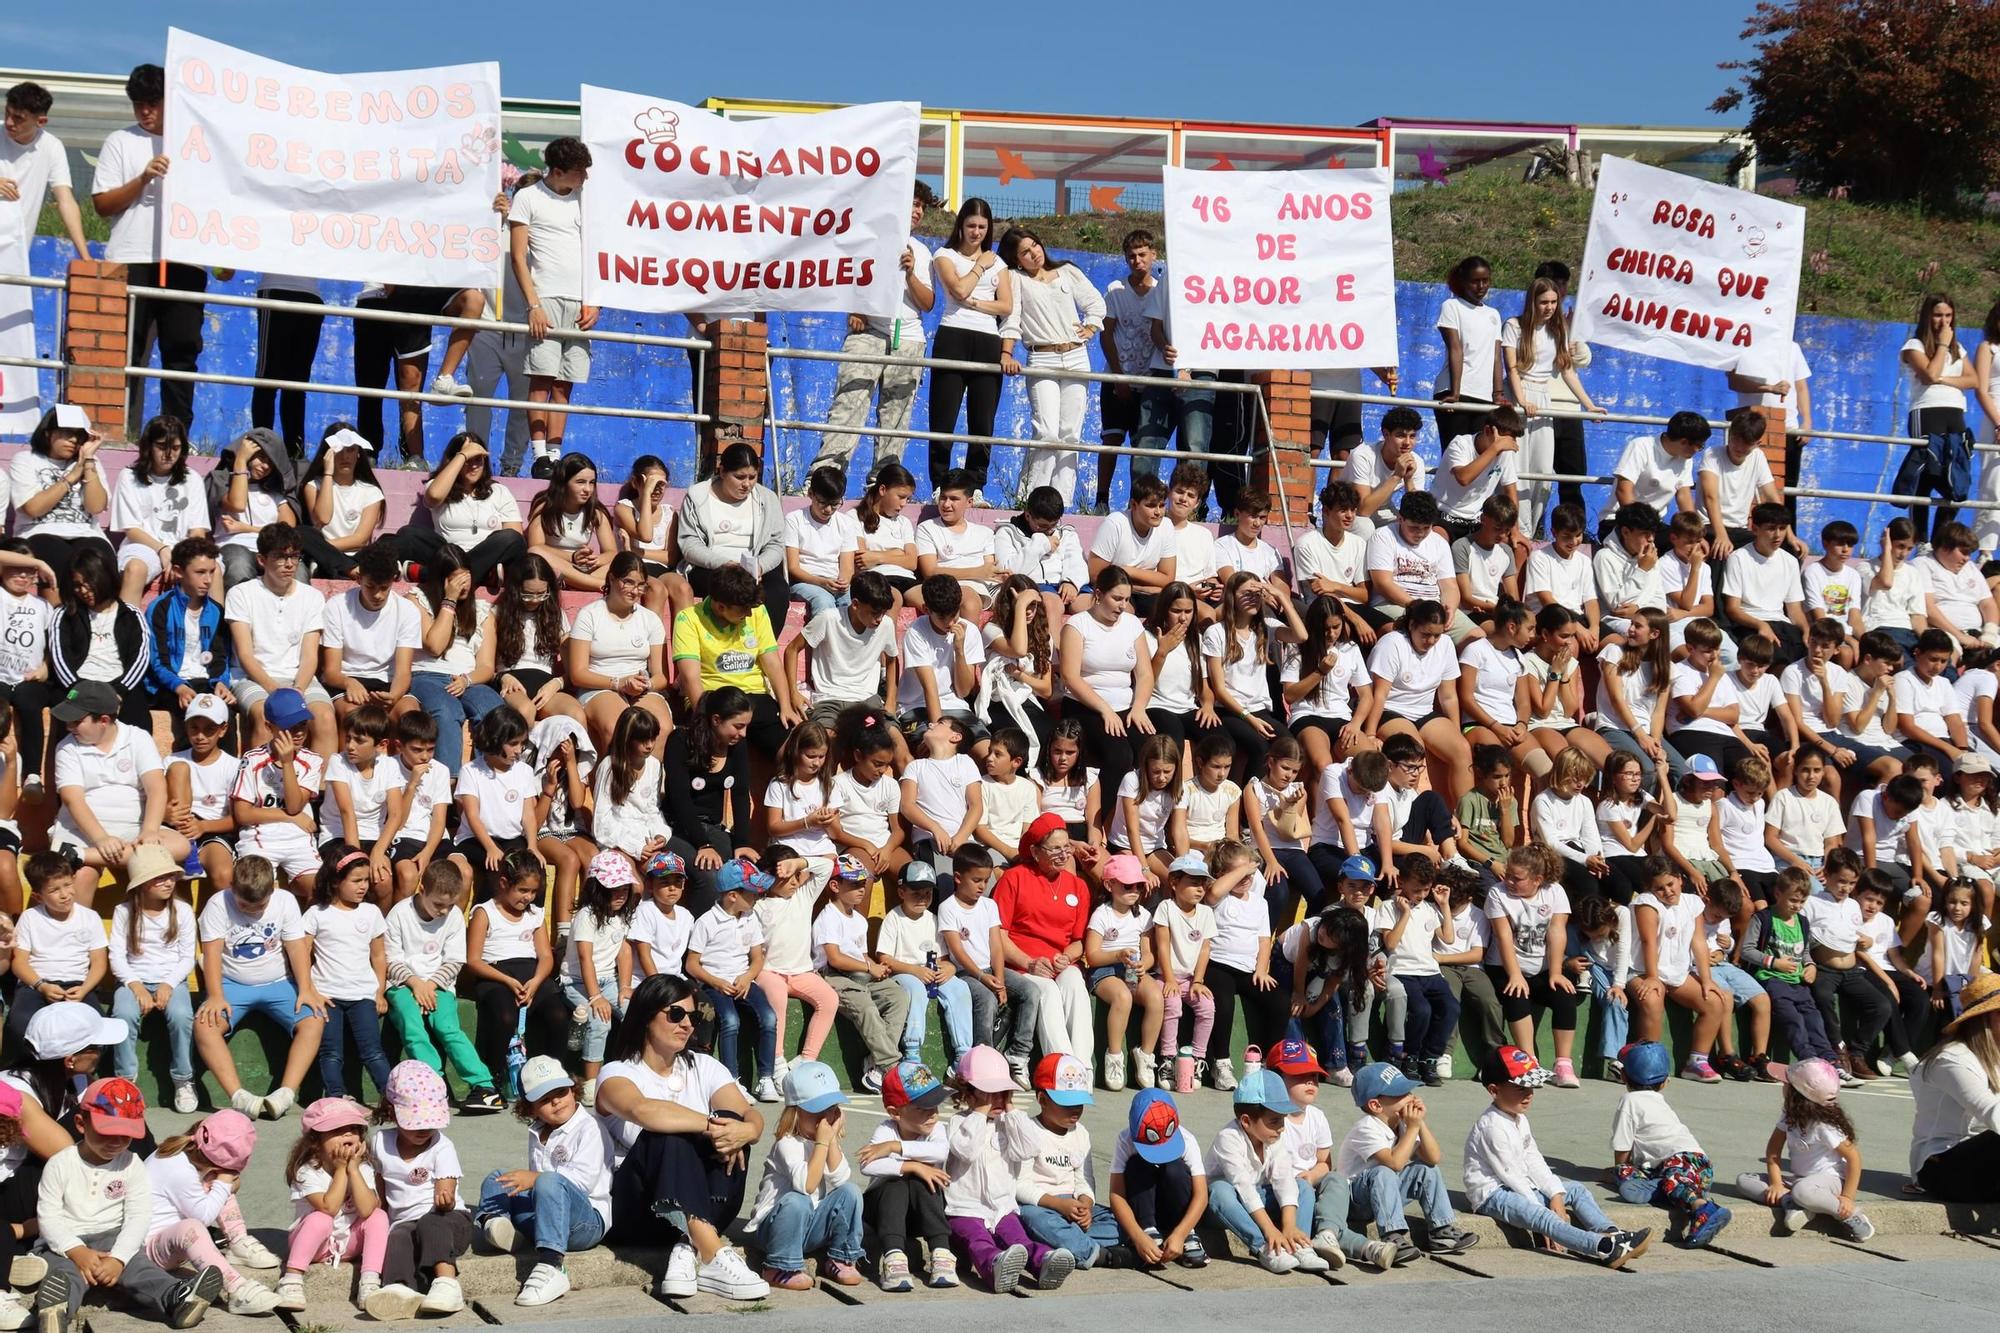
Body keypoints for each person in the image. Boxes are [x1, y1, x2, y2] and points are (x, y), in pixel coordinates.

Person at [597, 973, 770, 1301]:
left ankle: (686, 1245)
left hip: (711, 1203)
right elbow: (644, 1111)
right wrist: (712, 1126)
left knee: (733, 1123)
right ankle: (712, 1254)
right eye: (676, 1014)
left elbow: (748, 1115)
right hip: (641, 1213)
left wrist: (748, 1130)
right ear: (646, 1016)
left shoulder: (705, 1066)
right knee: (668, 1134)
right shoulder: (616, 1073)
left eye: (693, 1017)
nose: (688, 1024)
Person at [33, 1076, 222, 1333]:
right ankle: (56, 1312)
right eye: (107, 1132)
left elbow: (138, 1217)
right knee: (65, 1273)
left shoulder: (132, 1165)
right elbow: (48, 1217)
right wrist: (76, 1250)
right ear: (80, 1123)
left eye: (126, 1135)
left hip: (112, 1238)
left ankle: (177, 1298)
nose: (116, 1142)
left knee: (140, 1268)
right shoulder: (60, 1164)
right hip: (63, 1242)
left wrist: (119, 1259)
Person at [1463, 1047, 1651, 1266]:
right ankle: (1604, 1248)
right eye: (1521, 1087)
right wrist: (1544, 1213)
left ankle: (1612, 1233)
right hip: (1493, 1194)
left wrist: (1555, 1194)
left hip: (1521, 1185)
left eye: (1532, 1086)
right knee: (1544, 1217)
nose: (1529, 1094)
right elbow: (1512, 1176)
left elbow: (1533, 1158)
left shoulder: (1519, 1118)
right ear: (1494, 1090)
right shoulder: (1492, 1127)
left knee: (1577, 1190)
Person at [92, 66, 204, 431]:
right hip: (131, 257)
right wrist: (142, 178)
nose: (144, 111)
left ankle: (176, 437)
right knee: (127, 350)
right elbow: (102, 204)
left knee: (182, 351)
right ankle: (121, 431)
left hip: (184, 260)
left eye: (153, 103)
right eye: (138, 104)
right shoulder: (119, 141)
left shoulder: (196, 142)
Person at [808, 184, 936, 480]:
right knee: (849, 404)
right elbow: (849, 277)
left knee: (896, 417)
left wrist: (910, 273)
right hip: (869, 333)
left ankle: (882, 482)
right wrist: (855, 308)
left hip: (908, 337)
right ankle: (824, 476)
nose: (917, 211)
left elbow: (927, 302)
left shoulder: (921, 251)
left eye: (921, 206)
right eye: (912, 203)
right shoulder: (870, 237)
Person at [473, 1055, 612, 1307]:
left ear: (573, 1090)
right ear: (530, 1109)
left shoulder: (590, 1128)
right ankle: (497, 1224)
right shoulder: (538, 1130)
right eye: (545, 1100)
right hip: (546, 1215)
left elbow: (583, 1182)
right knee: (498, 1177)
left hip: (585, 1223)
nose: (556, 1101)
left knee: (547, 1181)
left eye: (561, 1092)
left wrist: (535, 1179)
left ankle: (552, 1265)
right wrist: (531, 1182)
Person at [943, 1046, 1078, 1292]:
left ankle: (1044, 1263)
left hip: (1003, 1208)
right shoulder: (959, 1123)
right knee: (978, 1241)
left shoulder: (1009, 1123)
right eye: (989, 1093)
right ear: (968, 1094)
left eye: (1003, 1092)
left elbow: (1030, 1147)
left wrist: (1012, 1111)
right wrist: (979, 1113)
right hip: (965, 1210)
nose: (997, 1099)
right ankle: (994, 1266)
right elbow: (967, 1150)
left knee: (1019, 1240)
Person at [48, 680, 189, 905]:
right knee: (83, 876)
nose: (69, 727)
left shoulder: (137, 738)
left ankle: (77, 854)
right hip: (81, 830)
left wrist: (150, 830)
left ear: (104, 720)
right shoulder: (67, 747)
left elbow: (156, 788)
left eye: (76, 721)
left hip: (132, 827)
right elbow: (72, 799)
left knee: (180, 846)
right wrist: (101, 838)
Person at [384, 861, 506, 1114]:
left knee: (448, 1028)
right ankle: (435, 1083)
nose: (444, 911)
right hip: (403, 984)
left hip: (438, 985)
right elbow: (391, 961)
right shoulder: (399, 914)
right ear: (421, 890)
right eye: (438, 904)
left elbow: (454, 961)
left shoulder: (454, 917)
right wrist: (416, 984)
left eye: (450, 905)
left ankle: (484, 1086)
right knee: (413, 1026)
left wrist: (430, 985)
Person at [506, 137, 594, 478]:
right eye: (579, 171)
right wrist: (534, 305)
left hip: (580, 304)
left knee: (565, 384)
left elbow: (598, 252)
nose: (585, 177)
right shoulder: (528, 197)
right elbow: (518, 256)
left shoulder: (586, 200)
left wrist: (594, 301)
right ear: (558, 171)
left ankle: (556, 456)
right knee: (541, 380)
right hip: (546, 299)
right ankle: (540, 456)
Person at [357, 1061, 473, 1319]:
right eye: (415, 1122)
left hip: (449, 1220)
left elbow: (447, 1188)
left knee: (430, 1223)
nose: (424, 1129)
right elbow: (380, 1191)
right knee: (397, 1237)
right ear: (391, 1112)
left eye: (430, 1122)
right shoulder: (380, 1143)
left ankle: (447, 1284)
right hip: (406, 1222)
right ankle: (399, 1291)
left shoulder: (442, 1146)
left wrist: (445, 1199)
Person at [998, 226, 1105, 504]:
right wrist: (1007, 353)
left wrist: (1091, 327)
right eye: (1025, 252)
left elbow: (1095, 303)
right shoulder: (1016, 278)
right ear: (1016, 259)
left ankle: (1061, 503)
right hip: (1042, 356)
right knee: (1045, 431)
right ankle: (1029, 499)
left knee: (1070, 435)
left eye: (1035, 245)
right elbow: (1012, 318)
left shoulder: (1067, 271)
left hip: (1076, 356)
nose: (1034, 253)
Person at [141, 1110, 284, 1316]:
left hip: (167, 1243)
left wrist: (223, 1182)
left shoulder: (182, 1153)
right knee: (193, 1226)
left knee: (214, 1186)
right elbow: (203, 1218)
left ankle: (238, 1242)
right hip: (149, 1252)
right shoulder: (179, 1170)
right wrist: (224, 1182)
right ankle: (237, 1289)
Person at [742, 1061, 864, 1291]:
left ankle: (841, 1258)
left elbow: (840, 1179)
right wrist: (823, 1142)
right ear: (795, 1112)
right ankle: (778, 1267)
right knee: (798, 1200)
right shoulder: (787, 1144)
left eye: (832, 1109)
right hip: (774, 1230)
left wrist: (831, 1141)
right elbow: (807, 1186)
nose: (825, 1119)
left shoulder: (822, 1140)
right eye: (817, 1111)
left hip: (808, 1228)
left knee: (851, 1191)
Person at [1338, 1062, 1478, 1261]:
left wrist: (1419, 1124)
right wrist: (1412, 1128)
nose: (1411, 1097)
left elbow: (1433, 1158)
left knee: (1426, 1169)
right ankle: (1392, 1237)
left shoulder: (1404, 1123)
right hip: (1355, 1201)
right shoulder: (1366, 1128)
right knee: (1383, 1171)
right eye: (1401, 1094)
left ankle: (1441, 1231)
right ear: (1376, 1105)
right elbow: (1394, 1163)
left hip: (1387, 1193)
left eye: (1409, 1091)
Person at [994, 815, 1095, 1078]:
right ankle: (1063, 1069)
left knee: (1075, 983)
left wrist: (1066, 957)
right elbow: (999, 935)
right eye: (1055, 848)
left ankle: (1084, 1067)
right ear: (1035, 852)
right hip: (1021, 964)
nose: (1063, 854)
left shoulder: (1078, 886)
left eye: (1067, 847)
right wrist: (1028, 963)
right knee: (1047, 991)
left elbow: (1079, 941)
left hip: (1059, 963)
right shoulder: (1014, 878)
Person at [1202, 1070, 1331, 1274]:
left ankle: (1298, 1244)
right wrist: (1270, 1230)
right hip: (1227, 1207)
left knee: (1302, 1186)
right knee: (1220, 1191)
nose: (1281, 1128)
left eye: (1283, 1120)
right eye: (1274, 1121)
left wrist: (1288, 1225)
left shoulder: (1273, 1137)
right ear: (1246, 1121)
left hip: (1258, 1198)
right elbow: (1244, 1188)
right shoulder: (1228, 1138)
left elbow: (1284, 1179)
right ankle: (1265, 1247)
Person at [1505, 277, 1604, 538]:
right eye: (1543, 302)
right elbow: (1512, 368)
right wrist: (1522, 400)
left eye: (1553, 302)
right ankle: (1512, 526)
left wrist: (1589, 405)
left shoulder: (1558, 329)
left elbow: (1567, 370)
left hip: (1543, 399)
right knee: (1516, 467)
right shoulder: (1514, 326)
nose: (1549, 307)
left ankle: (1530, 528)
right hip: (1520, 397)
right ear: (1532, 302)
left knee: (1542, 472)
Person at [928, 199, 1013, 502]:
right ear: (961, 226)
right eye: (971, 226)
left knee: (982, 420)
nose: (976, 232)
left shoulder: (998, 263)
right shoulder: (945, 255)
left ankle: (976, 486)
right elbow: (959, 289)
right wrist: (979, 266)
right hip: (953, 335)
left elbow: (1006, 306)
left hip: (988, 340)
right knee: (943, 416)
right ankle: (941, 483)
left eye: (982, 227)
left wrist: (975, 303)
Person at [1607, 1041, 1732, 1245]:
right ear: (1665, 1082)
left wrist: (1617, 1170)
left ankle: (1704, 1208)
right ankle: (1664, 1188)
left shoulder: (1629, 1100)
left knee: (1625, 1172)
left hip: (1682, 1163)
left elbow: (1623, 1146)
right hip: (1698, 1168)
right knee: (1653, 1179)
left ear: (1623, 1075)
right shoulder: (1659, 1101)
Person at [1735, 1056, 1874, 1240]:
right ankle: (1792, 1203)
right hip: (1799, 1180)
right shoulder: (1788, 1116)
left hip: (1830, 1181)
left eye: (1787, 1083)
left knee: (1803, 1191)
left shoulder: (1824, 1125)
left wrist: (1848, 1197)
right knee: (1744, 1180)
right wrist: (1776, 1184)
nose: (1783, 1085)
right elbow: (1773, 1151)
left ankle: (1850, 1216)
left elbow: (1854, 1158)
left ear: (1798, 1094)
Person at [106, 845, 197, 1111]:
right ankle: (125, 1081)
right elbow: (117, 957)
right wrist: (136, 986)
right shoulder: (124, 912)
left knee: (181, 1016)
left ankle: (183, 1078)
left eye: (171, 876)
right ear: (143, 883)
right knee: (123, 1015)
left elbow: (187, 957)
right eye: (160, 877)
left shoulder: (182, 911)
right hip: (133, 979)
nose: (169, 882)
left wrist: (168, 984)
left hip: (172, 979)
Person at [277, 1097, 387, 1312]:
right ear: (315, 1142)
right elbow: (329, 1207)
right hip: (315, 1246)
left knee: (378, 1216)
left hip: (349, 1245)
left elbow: (366, 1209)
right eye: (337, 1130)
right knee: (321, 1219)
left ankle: (370, 1281)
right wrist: (340, 1170)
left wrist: (353, 1170)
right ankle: (291, 1280)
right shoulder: (307, 1171)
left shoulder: (363, 1168)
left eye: (353, 1129)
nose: (348, 1135)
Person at [676, 441, 789, 635]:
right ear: (722, 471)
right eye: (739, 477)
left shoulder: (767, 499)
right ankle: (721, 644)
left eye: (752, 477)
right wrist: (726, 564)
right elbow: (689, 544)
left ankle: (763, 646)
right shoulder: (697, 496)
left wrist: (760, 566)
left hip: (754, 569)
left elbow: (776, 544)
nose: (747, 484)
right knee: (730, 588)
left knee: (779, 590)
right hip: (711, 567)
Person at [1097, 229, 1174, 512]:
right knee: (1112, 439)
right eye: (1131, 256)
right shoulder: (1116, 291)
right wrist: (1119, 377)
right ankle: (1101, 500)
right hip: (1118, 379)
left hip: (1151, 382)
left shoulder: (1162, 291)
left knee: (1143, 447)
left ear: (1154, 254)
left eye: (1142, 254)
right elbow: (1106, 335)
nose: (1137, 260)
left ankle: (1137, 504)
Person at [1895, 292, 1981, 541]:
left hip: (1954, 412)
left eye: (1948, 315)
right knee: (1926, 473)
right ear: (1927, 316)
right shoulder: (1914, 346)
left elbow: (1973, 380)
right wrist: (1942, 345)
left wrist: (1943, 378)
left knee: (1955, 477)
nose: (1944, 321)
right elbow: (1929, 375)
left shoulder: (1958, 348)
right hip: (1927, 411)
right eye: (1938, 315)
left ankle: (1940, 540)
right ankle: (1921, 540)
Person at [397, 433, 528, 590]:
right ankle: (482, 576)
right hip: (447, 555)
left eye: (478, 459)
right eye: (467, 460)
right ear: (454, 460)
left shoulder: (499, 491)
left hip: (487, 557)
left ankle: (428, 574)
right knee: (408, 533)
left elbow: (514, 535)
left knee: (512, 538)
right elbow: (434, 496)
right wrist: (462, 455)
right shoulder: (438, 486)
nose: (473, 466)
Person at [111, 416, 210, 607]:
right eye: (162, 446)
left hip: (185, 546)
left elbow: (198, 531)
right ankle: (127, 623)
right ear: (148, 446)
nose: (169, 454)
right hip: (142, 545)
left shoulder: (192, 479)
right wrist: (163, 549)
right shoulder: (129, 477)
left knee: (214, 569)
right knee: (135, 569)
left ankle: (213, 625)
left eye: (175, 448)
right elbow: (131, 529)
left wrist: (183, 556)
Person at [11, 407, 112, 592]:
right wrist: (72, 476)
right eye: (67, 433)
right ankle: (59, 610)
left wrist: (88, 460)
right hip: (39, 532)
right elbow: (33, 509)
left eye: (79, 435)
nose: (73, 440)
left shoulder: (91, 462)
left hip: (86, 533)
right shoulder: (26, 460)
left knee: (97, 559)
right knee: (59, 557)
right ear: (48, 433)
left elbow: (96, 506)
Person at [0, 82, 91, 256]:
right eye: (7, 113)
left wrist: (85, 256)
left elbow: (65, 200)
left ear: (41, 122)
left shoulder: (52, 146)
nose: (9, 122)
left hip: (15, 253)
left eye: (18, 118)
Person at [209, 429, 302, 592]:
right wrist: (240, 461)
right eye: (261, 458)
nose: (266, 466)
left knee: (299, 572)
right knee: (239, 565)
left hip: (274, 549)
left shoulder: (275, 492)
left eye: (271, 463)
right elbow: (237, 504)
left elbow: (287, 528)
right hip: (234, 545)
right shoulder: (221, 481)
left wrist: (245, 528)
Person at [295, 426, 385, 581]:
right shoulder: (313, 486)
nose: (345, 456)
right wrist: (328, 473)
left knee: (389, 541)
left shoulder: (371, 491)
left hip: (354, 556)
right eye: (339, 449)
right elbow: (322, 518)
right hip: (321, 557)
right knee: (301, 533)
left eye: (350, 450)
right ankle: (348, 570)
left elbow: (360, 539)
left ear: (358, 453)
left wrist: (320, 547)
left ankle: (344, 568)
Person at [250, 275, 325, 455]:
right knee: (267, 379)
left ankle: (295, 452)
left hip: (311, 296)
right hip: (277, 288)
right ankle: (262, 450)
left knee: (296, 385)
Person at [1432, 256, 1502, 446]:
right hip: (1454, 391)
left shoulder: (1493, 314)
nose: (1481, 286)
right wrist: (1456, 392)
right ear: (1463, 281)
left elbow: (1496, 357)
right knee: (1455, 453)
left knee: (1479, 454)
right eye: (1475, 281)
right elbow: (1455, 349)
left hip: (1484, 396)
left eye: (1485, 280)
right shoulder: (1451, 306)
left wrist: (1498, 394)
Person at [525, 454, 618, 594]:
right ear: (563, 482)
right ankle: (599, 584)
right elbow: (536, 546)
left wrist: (595, 560)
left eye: (592, 482)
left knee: (623, 561)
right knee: (535, 553)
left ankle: (576, 583)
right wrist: (572, 557)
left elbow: (611, 552)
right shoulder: (544, 506)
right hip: (555, 566)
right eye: (580, 482)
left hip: (584, 570)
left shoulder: (596, 512)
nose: (587, 489)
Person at [1611, 411, 1710, 525]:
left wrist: (1694, 530)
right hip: (1620, 519)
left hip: (1654, 524)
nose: (1698, 450)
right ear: (1684, 442)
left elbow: (1684, 496)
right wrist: (1639, 526)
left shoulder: (1685, 458)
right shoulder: (1641, 446)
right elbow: (1623, 491)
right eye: (1699, 445)